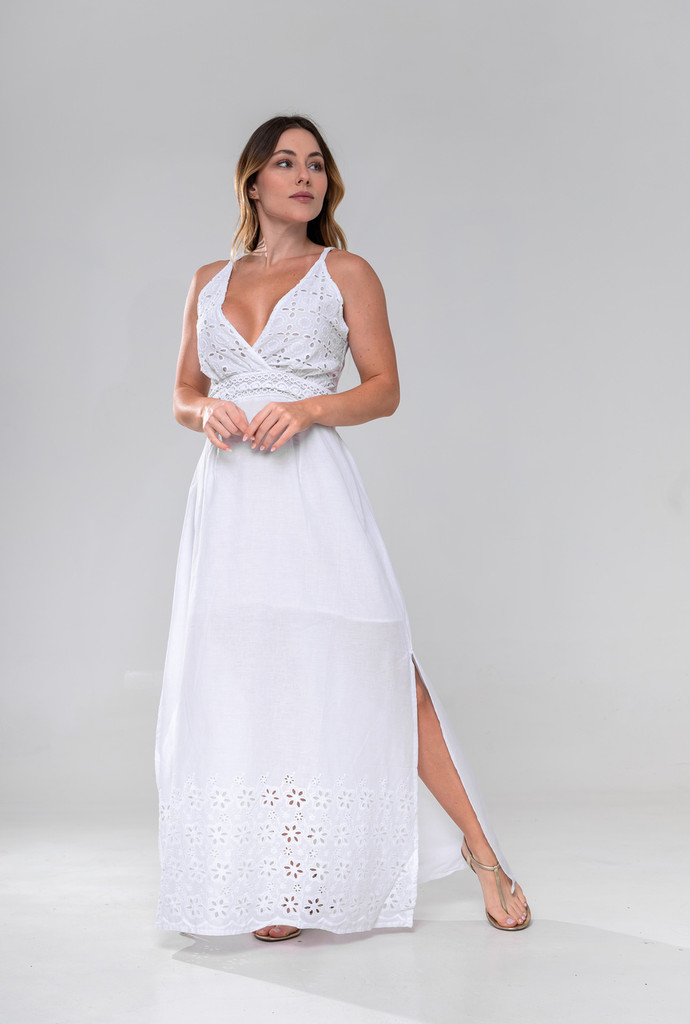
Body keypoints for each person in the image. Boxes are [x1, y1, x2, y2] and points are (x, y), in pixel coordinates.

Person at [155, 115, 530, 941]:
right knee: (259, 680)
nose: (305, 176)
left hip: (311, 495)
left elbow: (384, 387)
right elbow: (182, 391)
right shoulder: (207, 281)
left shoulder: (347, 272)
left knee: (383, 670)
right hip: (230, 506)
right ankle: (285, 880)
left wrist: (309, 409)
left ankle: (483, 852)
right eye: (286, 162)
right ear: (253, 182)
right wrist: (205, 411)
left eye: (317, 164)